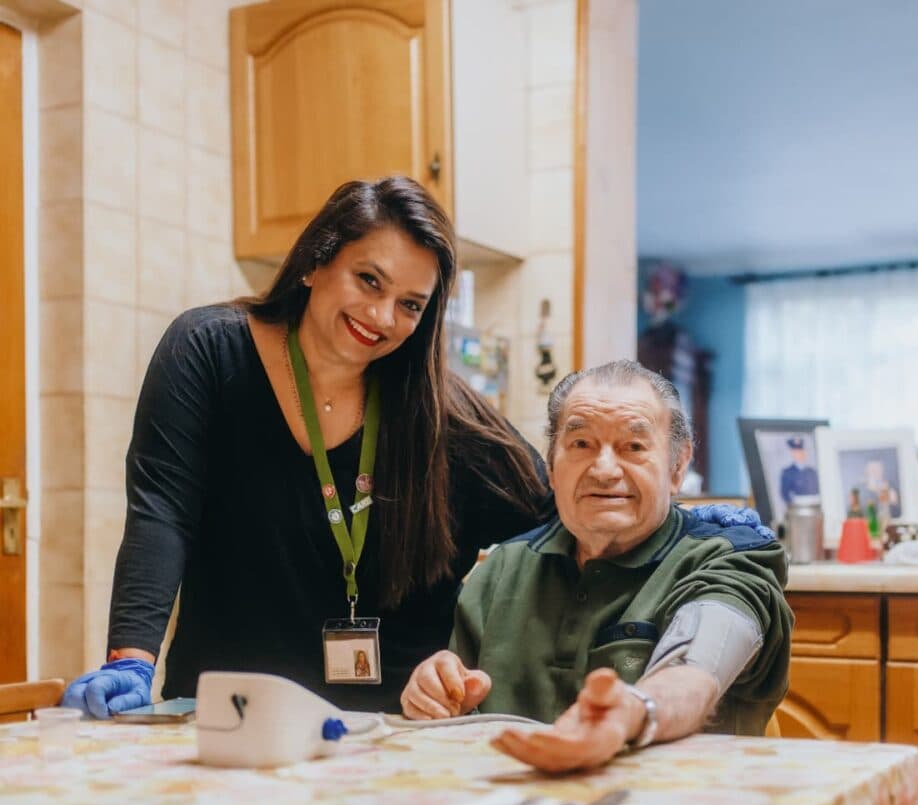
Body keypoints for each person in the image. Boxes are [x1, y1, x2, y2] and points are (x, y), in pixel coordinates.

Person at [61, 176, 552, 719]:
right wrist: (131, 660)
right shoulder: (208, 351)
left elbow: (555, 521)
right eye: (369, 280)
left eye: (410, 305)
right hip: (231, 716)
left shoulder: (443, 412)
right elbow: (161, 513)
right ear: (315, 264)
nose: (383, 317)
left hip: (396, 730)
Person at [401, 360, 793, 772]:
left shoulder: (732, 555)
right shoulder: (503, 567)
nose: (605, 470)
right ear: (551, 466)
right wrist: (434, 690)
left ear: (678, 467)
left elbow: (696, 669)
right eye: (581, 444)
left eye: (634, 447)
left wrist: (633, 712)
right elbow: (457, 708)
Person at [779, 435, 819, 506]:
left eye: (801, 451)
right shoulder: (787, 472)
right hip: (798, 506)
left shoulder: (812, 471)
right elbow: (784, 493)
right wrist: (792, 505)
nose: (799, 454)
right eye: (796, 452)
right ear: (792, 454)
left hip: (815, 504)